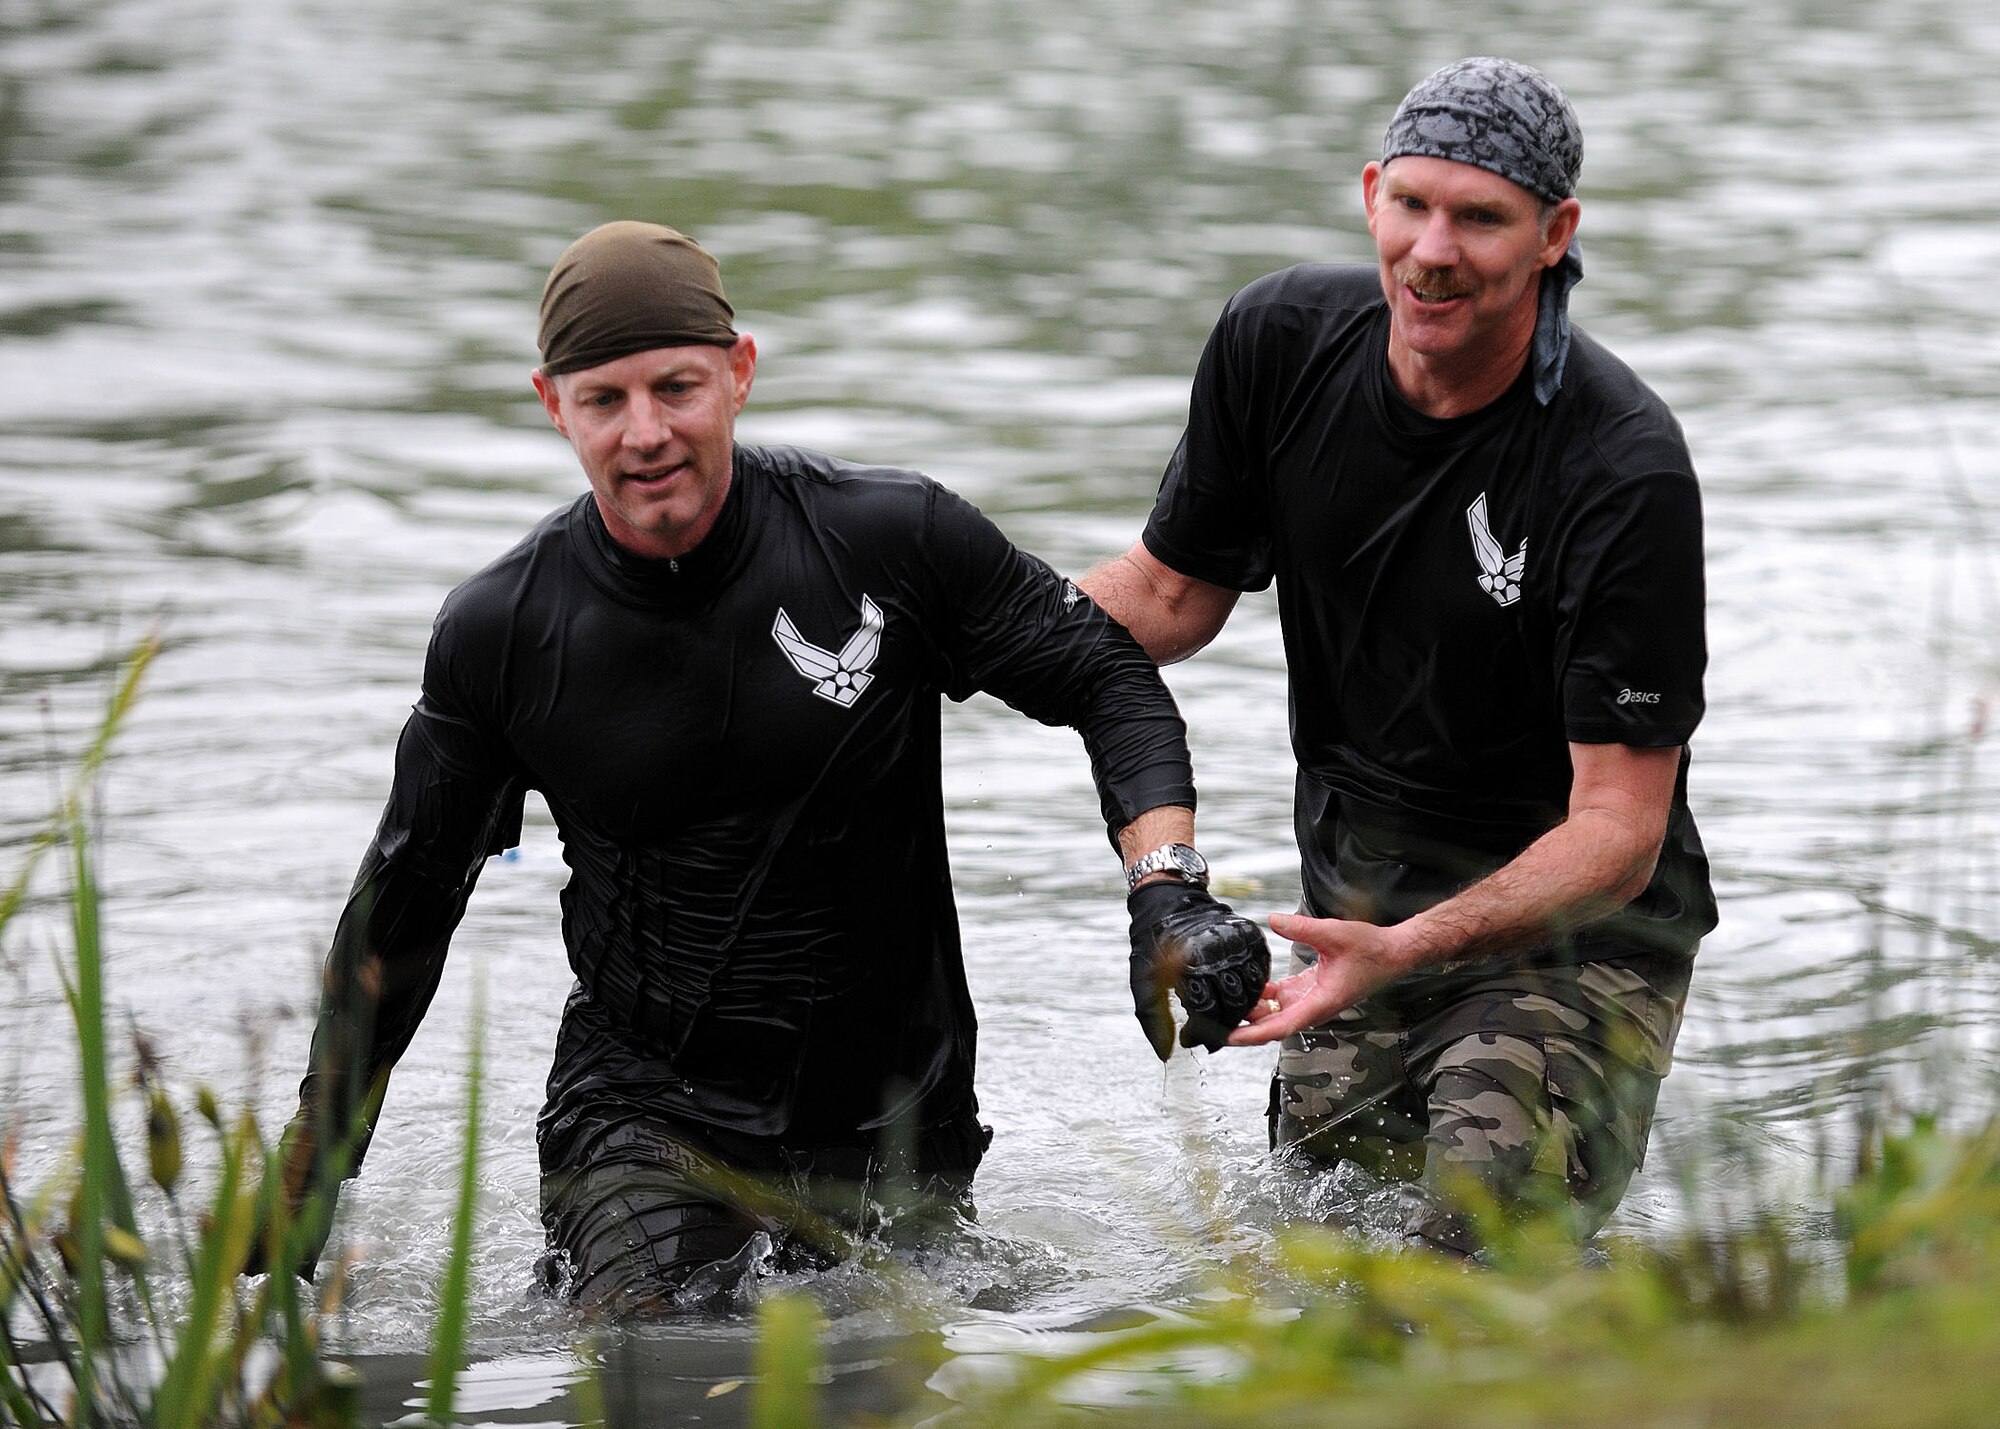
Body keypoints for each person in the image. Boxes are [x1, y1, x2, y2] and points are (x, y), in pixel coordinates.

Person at [255, 221, 1268, 1311]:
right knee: (658, 1354)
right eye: (605, 400)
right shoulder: (504, 631)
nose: (645, 433)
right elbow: (408, 899)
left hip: (894, 1116)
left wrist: (1166, 893)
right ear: (554, 406)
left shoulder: (889, 538)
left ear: (737, 373)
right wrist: (316, 1154)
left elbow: (1104, 680)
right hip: (643, 1112)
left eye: (676, 388)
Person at [1081, 57, 1717, 1254]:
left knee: (1465, 1252)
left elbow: (1619, 832)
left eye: (1479, 218)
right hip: (1355, 921)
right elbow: (1166, 595)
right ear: (1370, 192)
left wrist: (1405, 948)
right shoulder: (1276, 342)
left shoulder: (1617, 463)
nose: (1432, 251)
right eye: (1411, 205)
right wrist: (953, 618)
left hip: (1577, 946)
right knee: (1314, 1267)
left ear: (1552, 235)